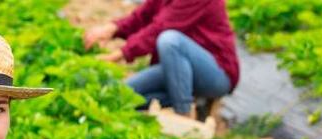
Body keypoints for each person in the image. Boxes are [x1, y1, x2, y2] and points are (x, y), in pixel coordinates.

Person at [84, 0, 240, 119]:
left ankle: (184, 113)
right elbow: (142, 16)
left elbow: (160, 28)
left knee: (170, 40)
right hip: (177, 69)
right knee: (124, 95)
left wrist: (118, 55)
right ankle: (195, 102)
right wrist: (111, 29)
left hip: (216, 73)